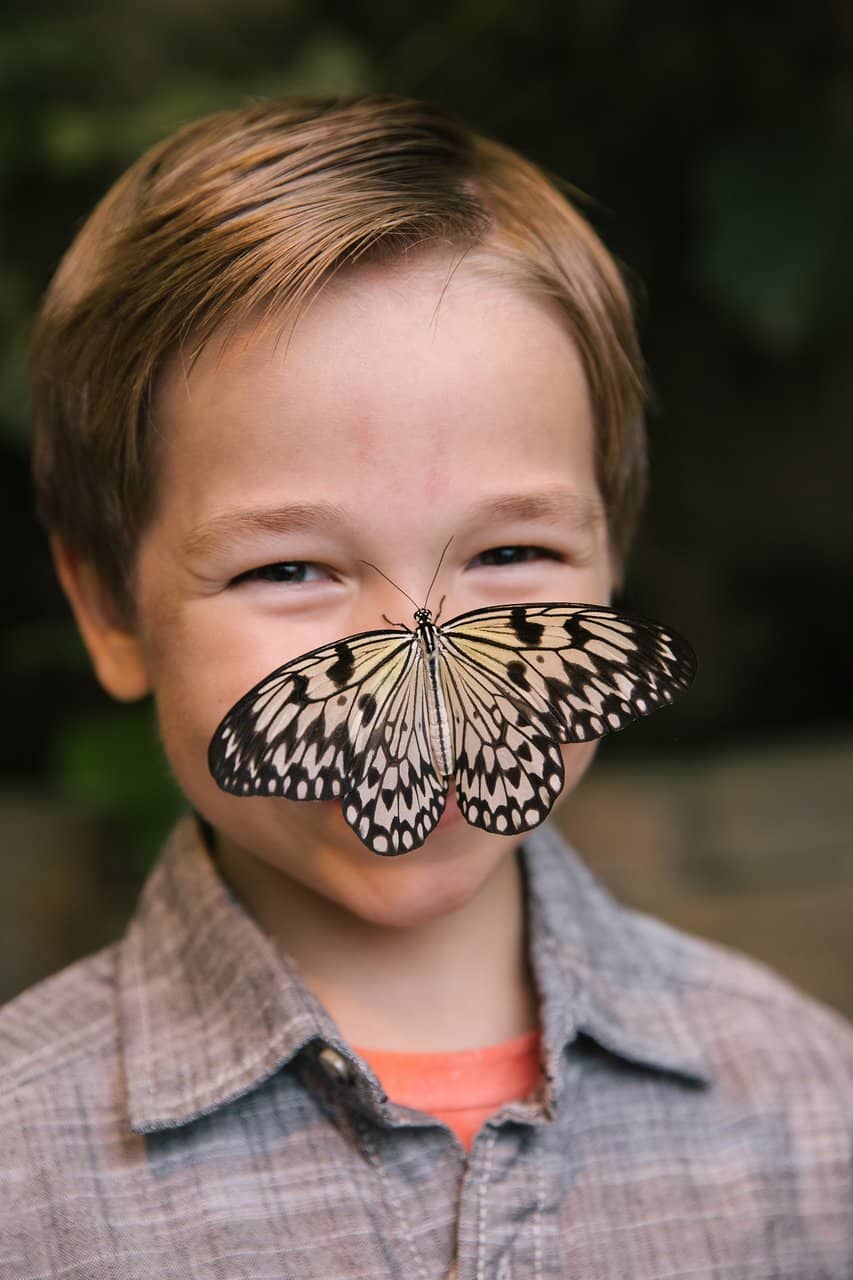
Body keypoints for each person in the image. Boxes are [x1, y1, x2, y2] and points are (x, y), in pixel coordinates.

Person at [3, 95, 850, 1279]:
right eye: (287, 567)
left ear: (608, 566)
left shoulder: (814, 1110)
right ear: (108, 608)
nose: (428, 657)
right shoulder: (20, 1170)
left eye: (511, 554)